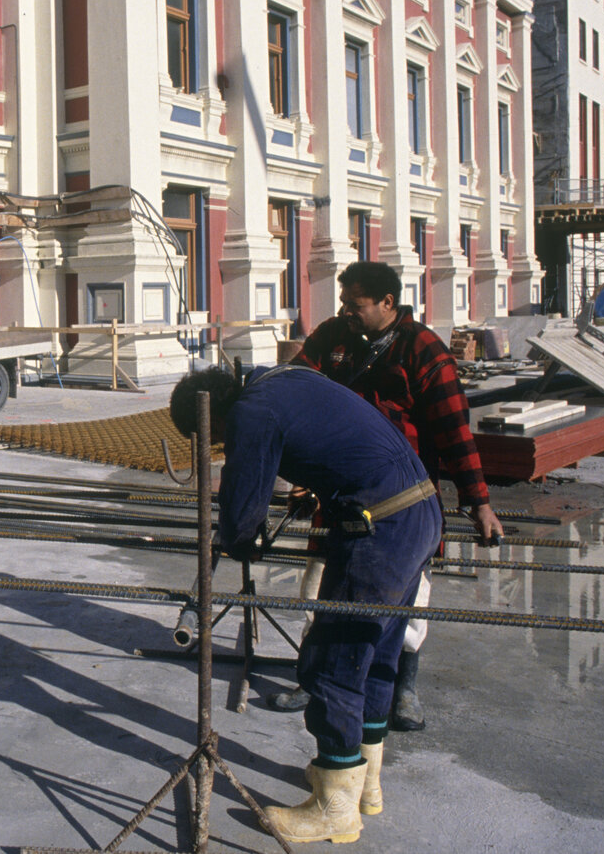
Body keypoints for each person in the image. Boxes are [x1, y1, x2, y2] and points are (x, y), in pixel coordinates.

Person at [170, 365, 441, 845]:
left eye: (208, 436)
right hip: (417, 510)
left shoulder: (251, 412)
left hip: (383, 529)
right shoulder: (282, 380)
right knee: (375, 653)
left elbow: (241, 504)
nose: (215, 443)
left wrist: (240, 538)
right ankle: (366, 786)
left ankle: (335, 809)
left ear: (212, 418)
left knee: (333, 662)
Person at [274, 260, 504, 731]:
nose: (346, 311)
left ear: (387, 303)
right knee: (319, 582)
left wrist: (478, 502)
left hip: (404, 498)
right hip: (336, 490)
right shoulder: (331, 338)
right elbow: (294, 392)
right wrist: (296, 467)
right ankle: (311, 674)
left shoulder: (423, 351)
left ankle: (401, 684)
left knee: (407, 594)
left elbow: (455, 433)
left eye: (355, 304)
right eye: (343, 302)